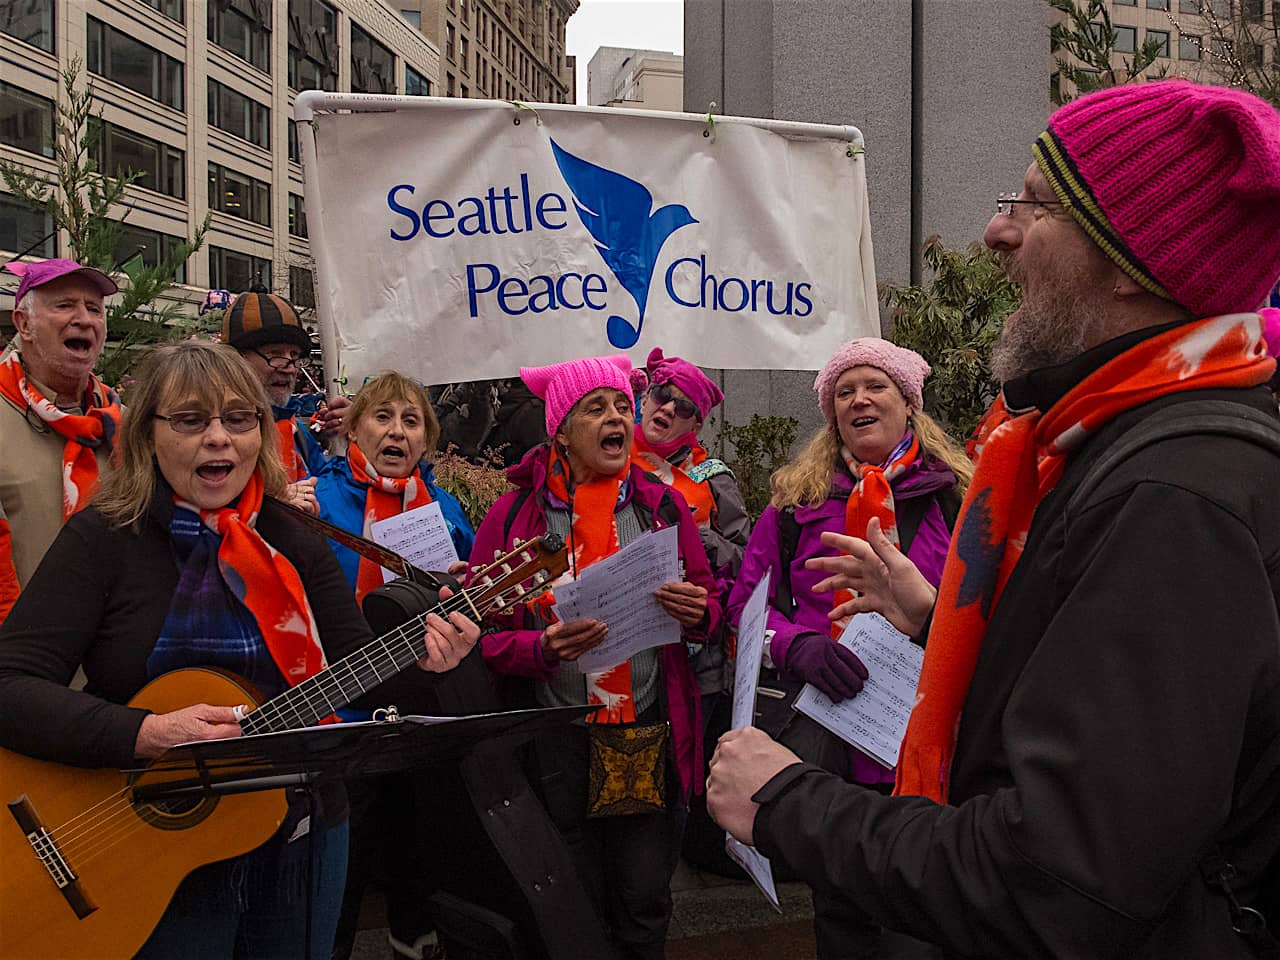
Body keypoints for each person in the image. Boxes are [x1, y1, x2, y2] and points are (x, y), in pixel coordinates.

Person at [708, 80, 1280, 959]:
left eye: (1036, 205)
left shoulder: (1173, 495)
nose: (997, 230)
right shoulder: (1110, 445)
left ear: (1130, 262)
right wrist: (941, 619)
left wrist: (789, 802)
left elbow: (1059, 883)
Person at [0, 340, 480, 959]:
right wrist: (142, 732)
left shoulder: (296, 538)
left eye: (239, 418)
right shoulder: (104, 538)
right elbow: (10, 685)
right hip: (146, 841)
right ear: (147, 434)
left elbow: (358, 672)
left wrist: (428, 660)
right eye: (191, 420)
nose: (220, 438)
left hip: (298, 833)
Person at [467, 354, 721, 960]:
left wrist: (697, 613)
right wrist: (539, 647)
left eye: (620, 407)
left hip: (644, 732)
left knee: (642, 897)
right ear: (560, 430)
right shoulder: (514, 516)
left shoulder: (662, 507)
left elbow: (712, 604)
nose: (616, 418)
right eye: (595, 407)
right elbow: (483, 634)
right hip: (557, 739)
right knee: (571, 900)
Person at [724, 337, 969, 959]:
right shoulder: (793, 506)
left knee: (924, 913)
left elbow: (996, 615)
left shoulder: (959, 498)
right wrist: (797, 645)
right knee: (842, 915)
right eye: (843, 391)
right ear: (831, 413)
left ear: (909, 403)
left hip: (930, 742)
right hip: (830, 740)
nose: (858, 398)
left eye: (875, 385)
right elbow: (745, 612)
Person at [316, 371, 473, 960]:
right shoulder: (316, 500)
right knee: (342, 857)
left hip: (421, 704)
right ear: (353, 427)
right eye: (382, 417)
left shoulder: (447, 509)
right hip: (338, 708)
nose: (396, 431)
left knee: (418, 841)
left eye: (411, 421)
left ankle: (415, 940)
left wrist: (463, 586)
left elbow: (469, 588)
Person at [0, 258, 119, 624]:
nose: (84, 319)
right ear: (24, 323)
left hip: (117, 659)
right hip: (22, 659)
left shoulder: (124, 422)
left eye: (94, 309)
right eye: (64, 305)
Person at [221, 284, 349, 514]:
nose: (290, 368)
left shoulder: (294, 428)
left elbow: (333, 495)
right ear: (235, 360)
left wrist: (353, 437)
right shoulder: (215, 434)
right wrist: (271, 507)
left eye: (294, 356)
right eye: (275, 354)